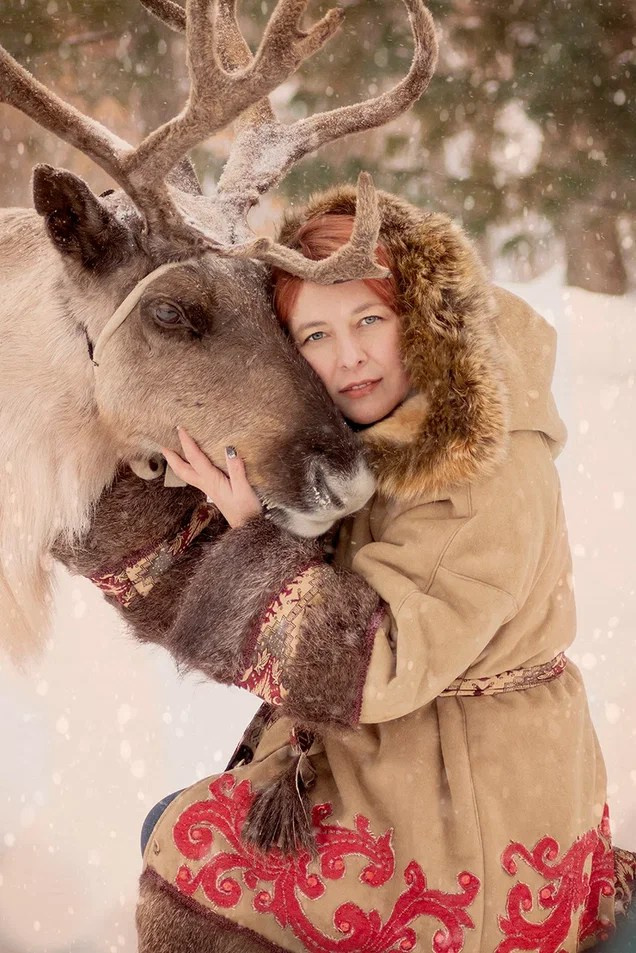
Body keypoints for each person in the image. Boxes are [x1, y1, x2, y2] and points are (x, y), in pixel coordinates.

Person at [138, 184, 635, 953]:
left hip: (471, 795)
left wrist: (252, 541)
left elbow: (380, 663)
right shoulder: (382, 436)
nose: (350, 356)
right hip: (413, 759)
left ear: (423, 321)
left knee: (194, 861)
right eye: (316, 336)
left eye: (370, 318)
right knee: (177, 826)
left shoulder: (476, 468)